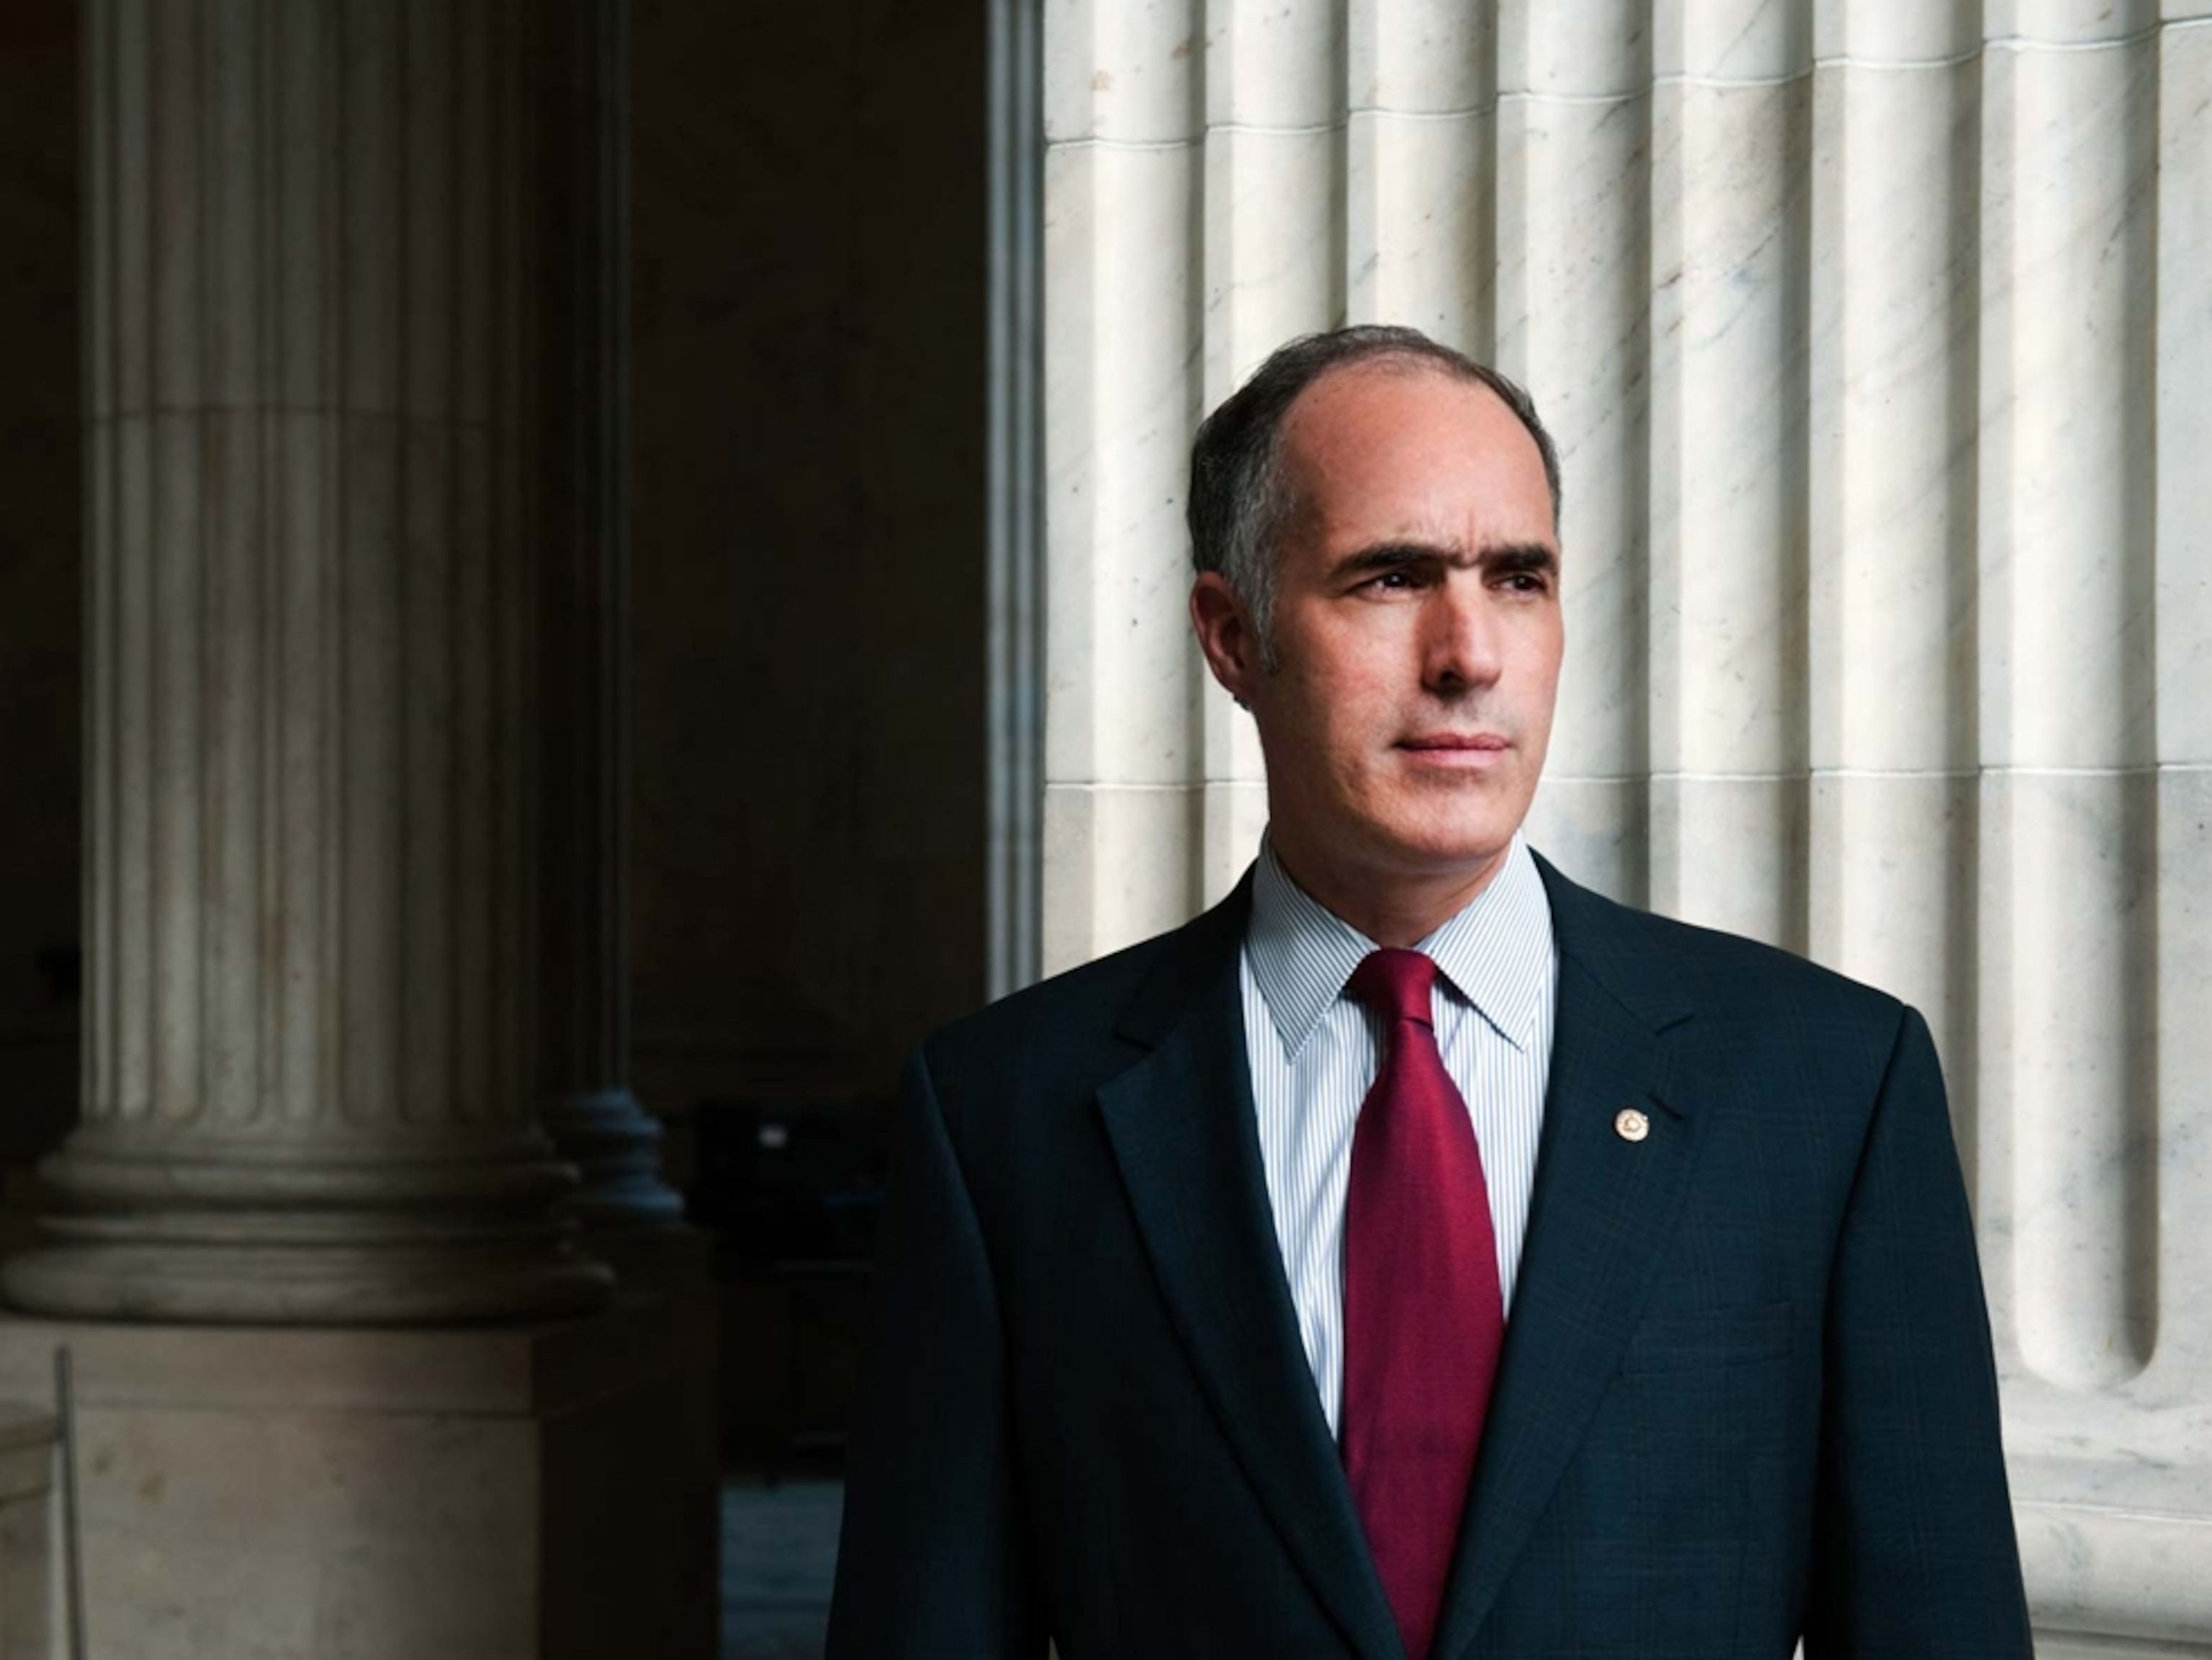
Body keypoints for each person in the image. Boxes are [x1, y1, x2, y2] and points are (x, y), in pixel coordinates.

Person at [826, 325, 2032, 1658]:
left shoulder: (1828, 1089)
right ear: (1233, 637)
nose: (1471, 654)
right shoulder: (1004, 1113)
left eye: (1519, 578)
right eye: (1393, 576)